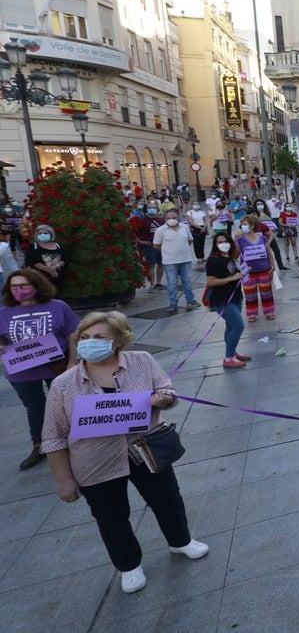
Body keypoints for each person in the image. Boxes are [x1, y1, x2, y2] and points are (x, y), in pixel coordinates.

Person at [41, 311, 210, 594]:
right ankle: (129, 565)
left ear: (118, 341)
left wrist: (164, 398)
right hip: (94, 462)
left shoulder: (142, 361)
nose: (89, 343)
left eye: (99, 337)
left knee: (168, 500)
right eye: (84, 338)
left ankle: (181, 541)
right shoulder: (64, 385)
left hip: (146, 451)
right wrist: (63, 480)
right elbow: (53, 437)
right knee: (111, 517)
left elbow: (165, 388)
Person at [0, 269, 78, 469]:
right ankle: (40, 445)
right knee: (34, 407)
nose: (19, 290)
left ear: (36, 285)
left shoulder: (57, 307)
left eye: (24, 285)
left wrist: (72, 361)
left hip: (56, 365)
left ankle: (74, 441)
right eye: (14, 287)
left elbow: (72, 334)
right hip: (22, 369)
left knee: (64, 404)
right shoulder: (4, 313)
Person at [205, 233, 249, 369]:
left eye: (225, 241)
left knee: (230, 326)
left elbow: (237, 254)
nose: (223, 244)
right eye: (219, 242)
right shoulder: (213, 260)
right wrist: (231, 278)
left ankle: (232, 352)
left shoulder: (229, 257)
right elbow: (211, 281)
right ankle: (228, 357)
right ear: (215, 245)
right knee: (238, 326)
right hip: (222, 299)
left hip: (235, 296)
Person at [235, 215, 275, 322]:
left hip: (264, 269)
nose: (243, 227)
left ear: (252, 226)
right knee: (249, 294)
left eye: (245, 224)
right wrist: (235, 241)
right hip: (248, 272)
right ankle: (251, 313)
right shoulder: (240, 240)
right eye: (242, 225)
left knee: (266, 293)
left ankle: (269, 311)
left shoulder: (262, 238)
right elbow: (235, 255)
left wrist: (272, 265)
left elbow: (268, 251)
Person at [24, 224, 67, 295]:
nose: (42, 235)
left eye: (45, 233)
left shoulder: (58, 246)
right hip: (40, 277)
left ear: (51, 234)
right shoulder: (33, 247)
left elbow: (64, 259)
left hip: (58, 277)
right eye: (40, 233)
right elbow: (32, 261)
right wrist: (48, 269)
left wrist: (55, 267)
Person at [253, 199, 289, 271]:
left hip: (269, 235)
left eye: (261, 203)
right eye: (258, 204)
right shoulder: (254, 214)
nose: (260, 205)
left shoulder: (267, 212)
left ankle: (280, 266)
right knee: (266, 252)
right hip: (261, 236)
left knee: (276, 251)